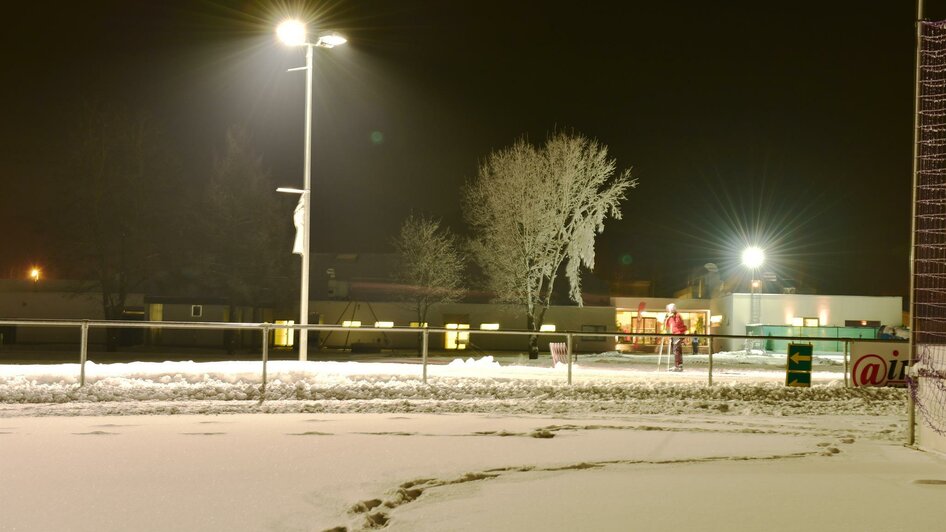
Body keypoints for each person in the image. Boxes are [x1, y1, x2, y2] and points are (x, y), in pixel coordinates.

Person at [664, 303, 687, 371]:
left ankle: (678, 365)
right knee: (676, 350)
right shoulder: (670, 316)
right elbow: (667, 325)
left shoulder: (677, 315)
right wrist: (667, 318)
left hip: (678, 334)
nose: (668, 311)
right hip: (674, 334)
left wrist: (672, 317)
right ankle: (678, 365)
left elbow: (677, 323)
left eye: (669, 309)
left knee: (676, 350)